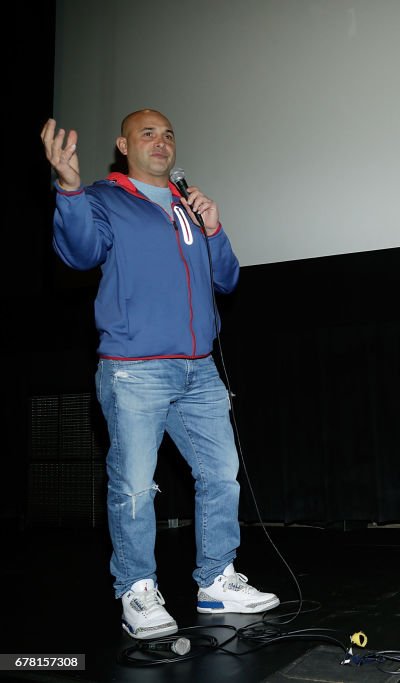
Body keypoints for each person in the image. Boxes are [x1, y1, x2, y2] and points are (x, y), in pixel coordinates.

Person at [40, 109, 279, 639]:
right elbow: (79, 254)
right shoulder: (106, 198)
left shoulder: (185, 205)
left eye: (169, 133)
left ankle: (216, 580)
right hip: (135, 369)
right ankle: (137, 589)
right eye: (147, 133)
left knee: (220, 475)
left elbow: (228, 278)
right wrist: (70, 189)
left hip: (199, 369)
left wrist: (213, 228)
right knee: (134, 487)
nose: (161, 141)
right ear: (123, 145)